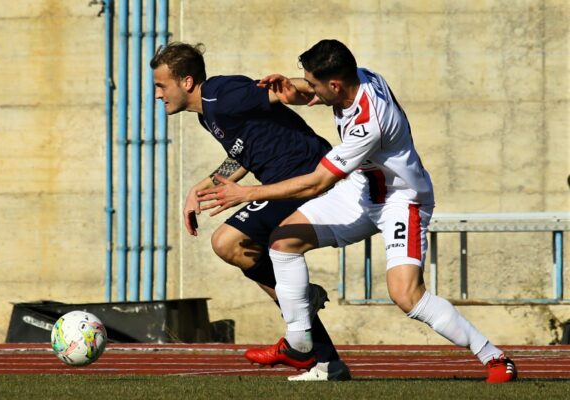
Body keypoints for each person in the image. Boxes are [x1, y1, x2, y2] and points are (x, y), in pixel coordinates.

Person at [197, 39, 517, 384]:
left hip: (400, 200)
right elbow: (315, 91)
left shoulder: (369, 122)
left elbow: (316, 184)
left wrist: (245, 193)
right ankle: (301, 343)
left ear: (334, 84)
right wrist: (293, 87)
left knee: (407, 295)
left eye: (315, 84)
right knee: (283, 242)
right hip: (361, 189)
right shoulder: (359, 77)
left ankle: (495, 357)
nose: (311, 90)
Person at [150, 42, 351, 381]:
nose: (157, 95)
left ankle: (302, 303)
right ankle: (326, 361)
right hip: (285, 178)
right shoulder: (207, 114)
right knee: (243, 252)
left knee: (226, 242)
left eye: (160, 85)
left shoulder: (221, 94)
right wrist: (200, 187)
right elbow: (243, 153)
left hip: (304, 174)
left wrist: (302, 85)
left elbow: (288, 90)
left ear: (185, 82)